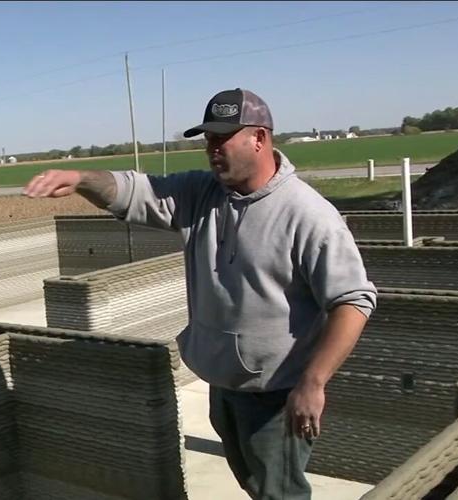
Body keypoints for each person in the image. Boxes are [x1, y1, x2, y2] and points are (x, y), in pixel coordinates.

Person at [22, 88, 377, 500]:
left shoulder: (307, 215)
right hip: (224, 382)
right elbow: (135, 191)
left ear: (259, 138)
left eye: (221, 139)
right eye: (207, 140)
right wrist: (82, 179)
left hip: (276, 394)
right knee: (257, 485)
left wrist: (313, 383)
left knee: (281, 494)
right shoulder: (203, 194)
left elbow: (352, 301)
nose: (211, 150)